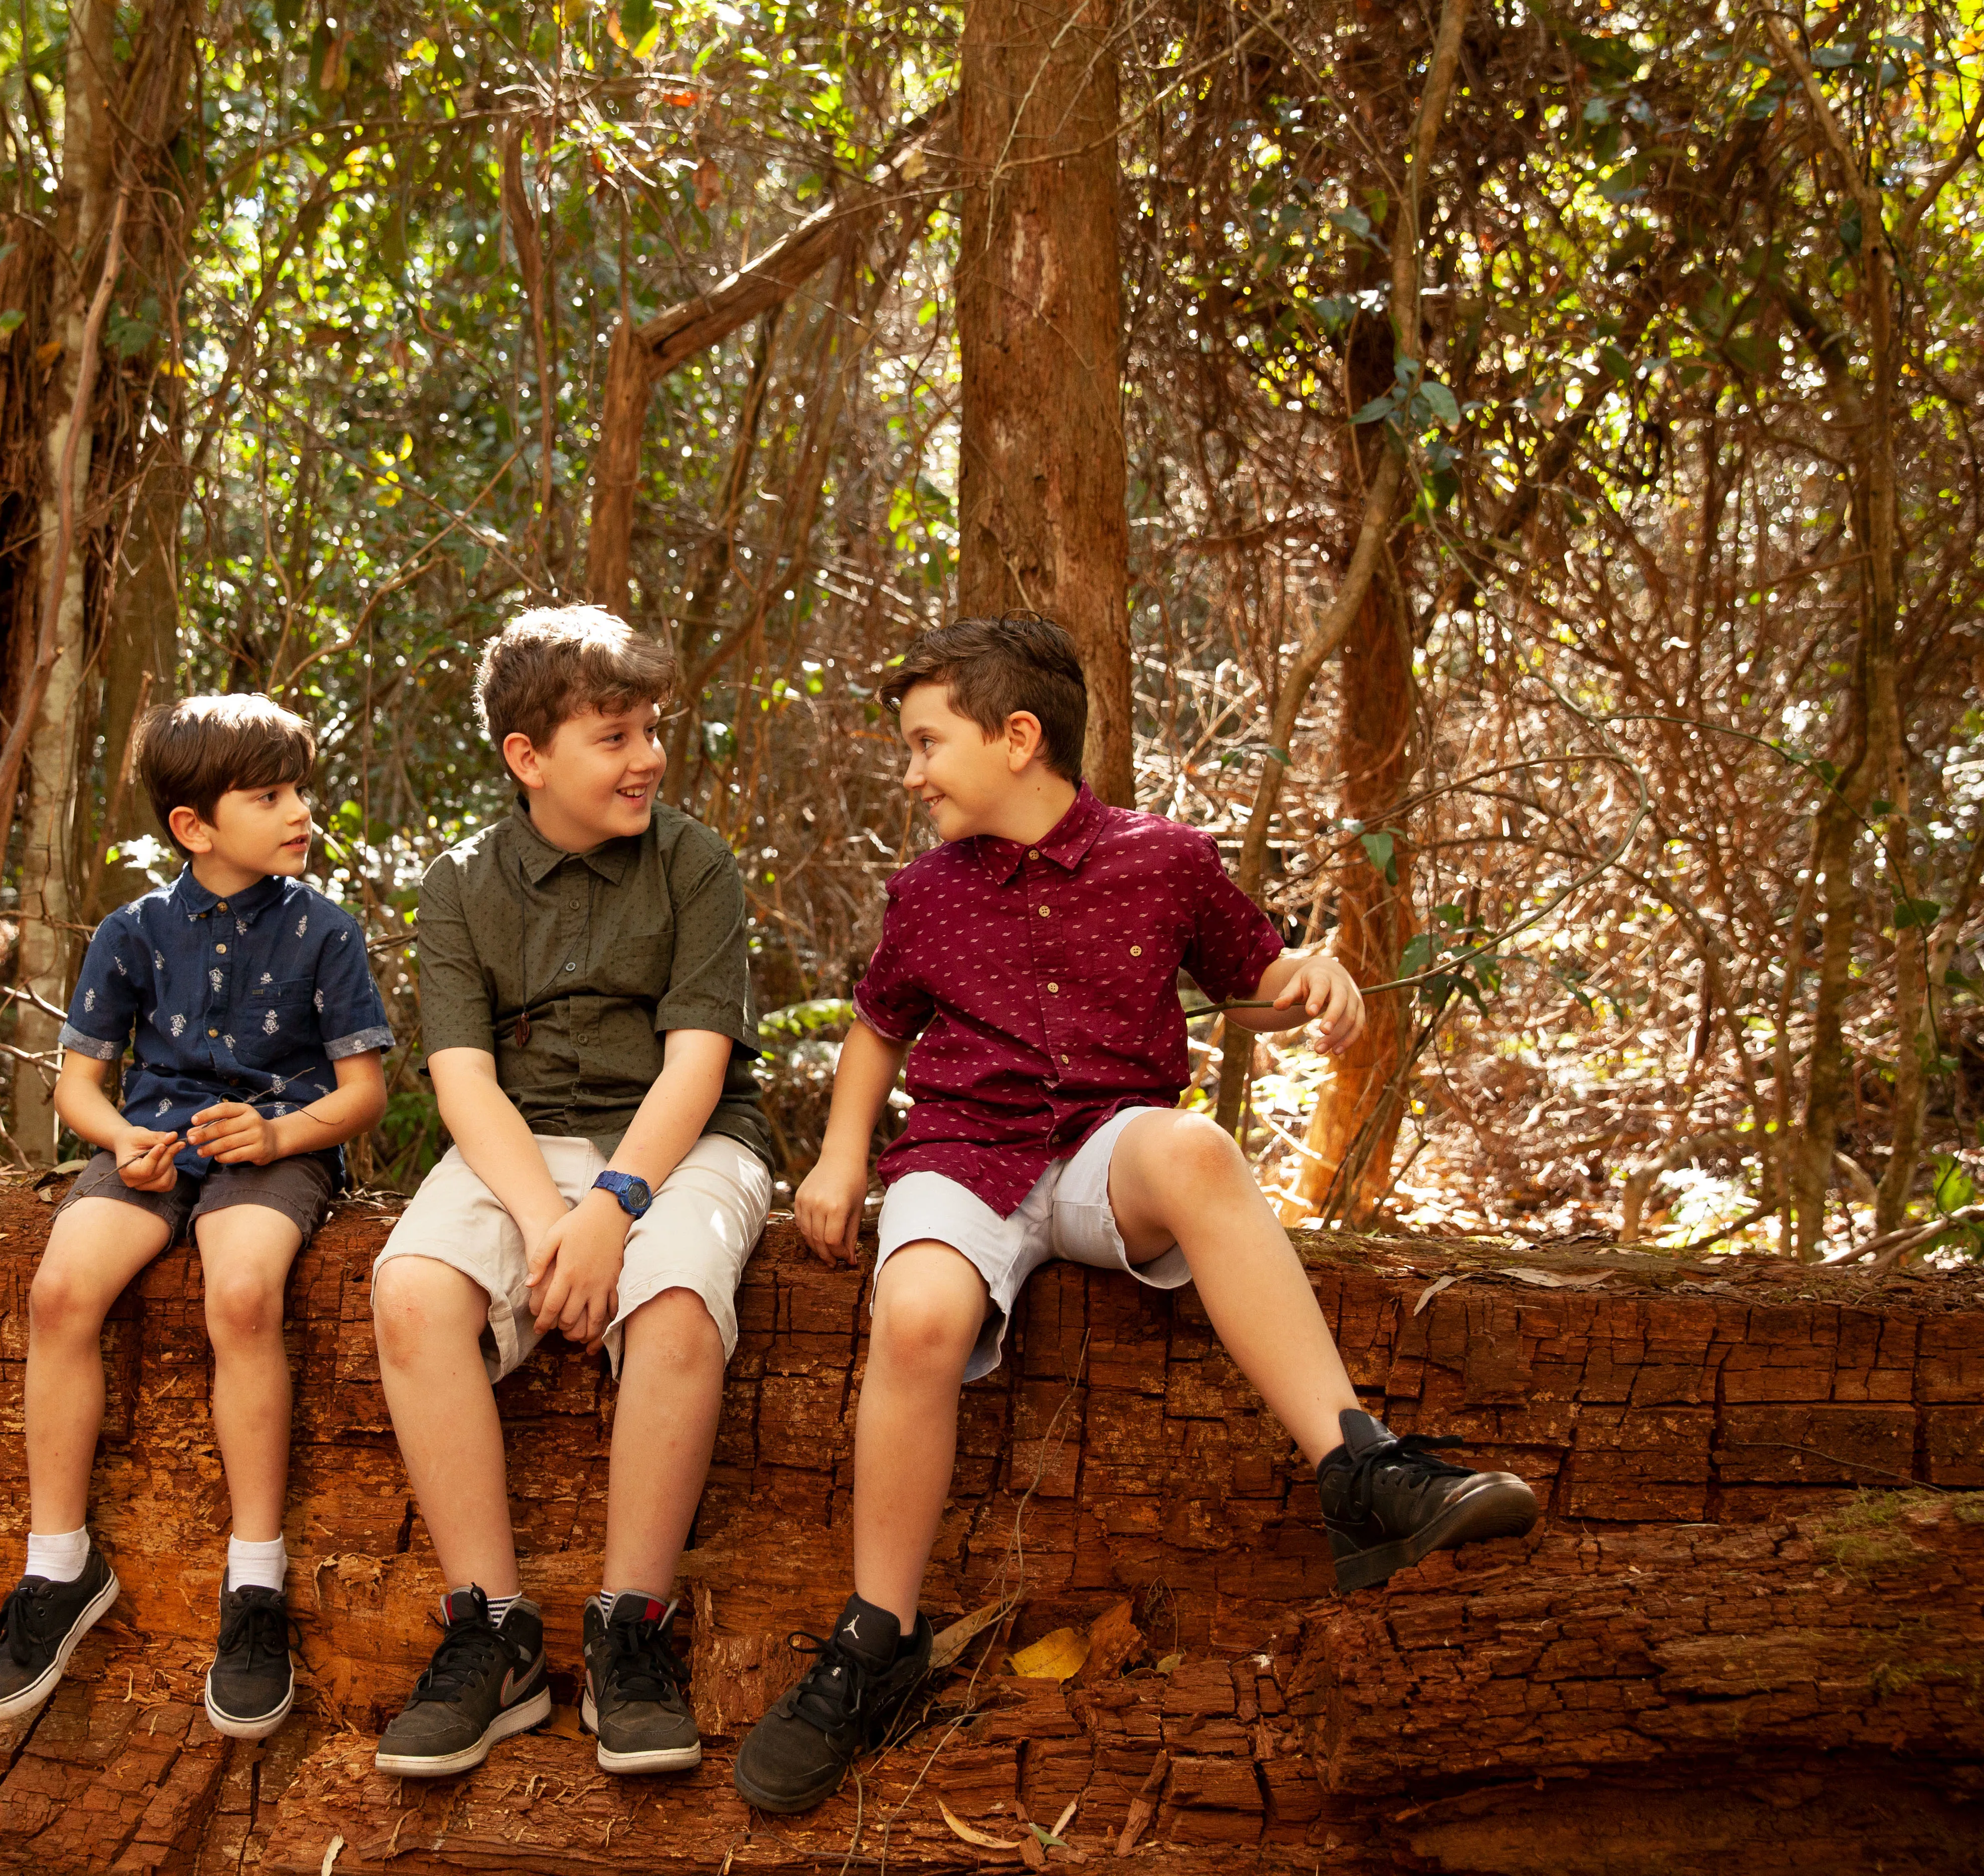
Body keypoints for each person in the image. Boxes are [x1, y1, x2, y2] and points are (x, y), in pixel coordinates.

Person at [731, 613, 1540, 1814]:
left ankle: (1362, 1473)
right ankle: (876, 1642)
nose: (909, 773)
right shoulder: (926, 893)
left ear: (1018, 738)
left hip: (1111, 1150)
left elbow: (1252, 973)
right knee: (915, 1320)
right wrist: (844, 1157)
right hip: (964, 1150)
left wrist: (1307, 976)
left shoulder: (1166, 858)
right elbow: (880, 1025)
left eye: (925, 743)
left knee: (1201, 1148)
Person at [366, 605, 775, 1779]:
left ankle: (629, 1630)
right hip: (520, 1145)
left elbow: (697, 1064)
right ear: (528, 758)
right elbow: (462, 1081)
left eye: (652, 729)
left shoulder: (693, 863)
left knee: (680, 1302)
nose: (648, 756)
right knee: (410, 1292)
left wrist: (615, 1212)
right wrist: (553, 1221)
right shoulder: (461, 885)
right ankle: (491, 1633)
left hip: (683, 1135)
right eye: (614, 736)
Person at [0, 694, 392, 1742]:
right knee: (62, 1291)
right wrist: (116, 1140)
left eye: (298, 789)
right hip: (151, 1146)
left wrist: (284, 1137)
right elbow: (80, 1085)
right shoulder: (133, 931)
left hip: (271, 1149)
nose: (299, 812)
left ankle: (254, 1586)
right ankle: (58, 1568)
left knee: (242, 1297)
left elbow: (363, 1092)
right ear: (193, 828)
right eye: (269, 796)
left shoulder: (324, 931)